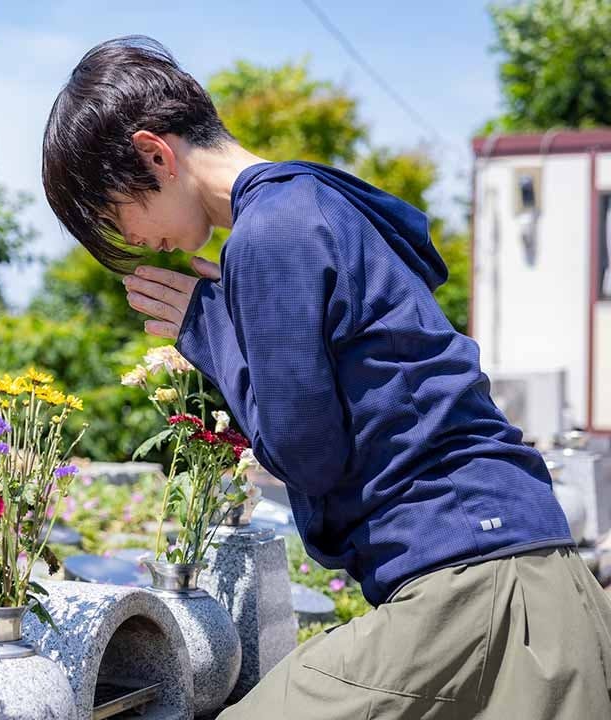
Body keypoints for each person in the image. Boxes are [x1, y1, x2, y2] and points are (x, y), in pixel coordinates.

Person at [42, 35, 611, 719]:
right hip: (525, 569)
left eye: (116, 217)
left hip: (475, 585)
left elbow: (304, 454)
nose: (136, 243)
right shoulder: (319, 201)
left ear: (154, 154)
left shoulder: (268, 232)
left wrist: (210, 333)